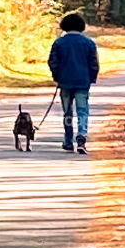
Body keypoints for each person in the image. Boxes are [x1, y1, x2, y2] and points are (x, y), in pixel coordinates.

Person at [47, 13, 99, 154]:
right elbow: (93, 63)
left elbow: (53, 62)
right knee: (82, 111)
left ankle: (68, 140)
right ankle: (81, 136)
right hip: (82, 82)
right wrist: (91, 78)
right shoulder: (89, 43)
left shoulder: (59, 43)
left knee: (67, 112)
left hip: (65, 82)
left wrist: (57, 76)